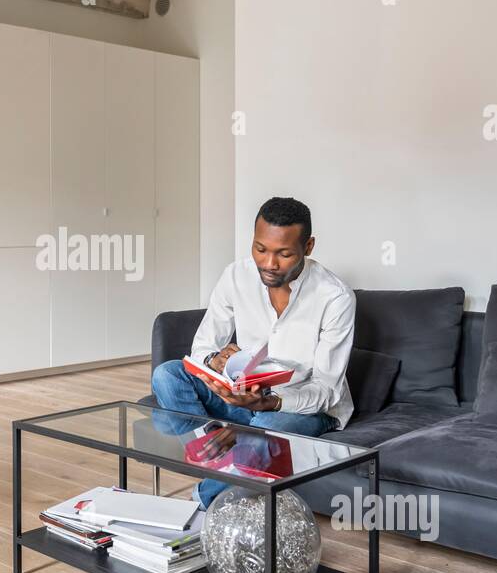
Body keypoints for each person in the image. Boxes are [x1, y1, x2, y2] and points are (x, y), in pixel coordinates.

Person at [151, 196, 355, 508]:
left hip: (300, 406)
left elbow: (327, 390)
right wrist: (215, 361)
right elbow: (202, 347)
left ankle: (199, 504)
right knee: (167, 375)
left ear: (308, 246)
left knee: (267, 430)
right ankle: (222, 456)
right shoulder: (236, 276)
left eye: (284, 254)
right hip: (242, 397)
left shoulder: (335, 297)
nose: (269, 263)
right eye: (260, 249)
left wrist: (272, 402)